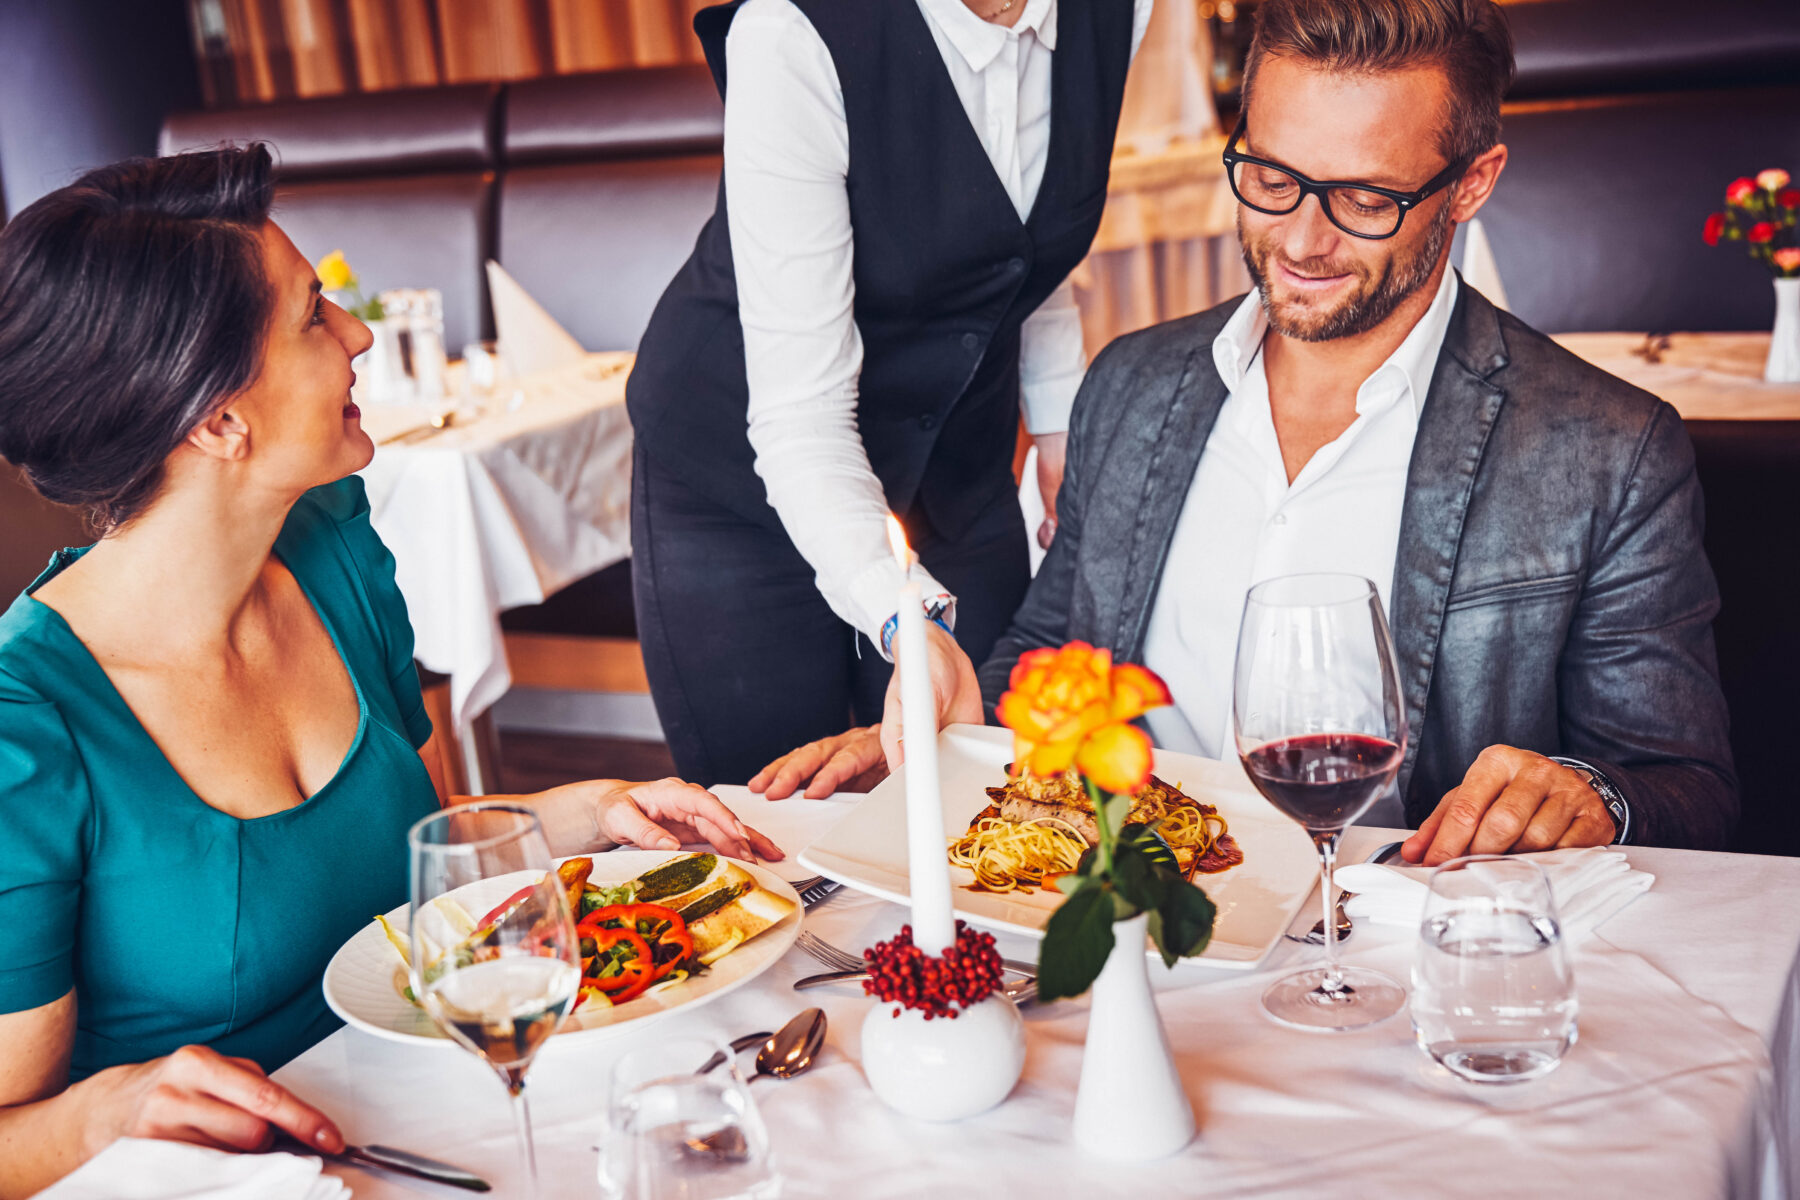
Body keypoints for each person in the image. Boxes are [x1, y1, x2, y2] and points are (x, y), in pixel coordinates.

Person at [754, 0, 1739, 860]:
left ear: (1472, 184)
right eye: (1271, 177)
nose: (1304, 240)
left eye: (1365, 198)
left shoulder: (1609, 451)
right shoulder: (1131, 388)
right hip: (1128, 924)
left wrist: (1592, 796)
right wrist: (942, 741)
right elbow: (1055, 652)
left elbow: (1688, 789)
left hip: (1393, 959)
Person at [0, 146, 780, 1197]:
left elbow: (413, 859)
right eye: (316, 315)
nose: (360, 333)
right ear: (218, 419)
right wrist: (107, 1110)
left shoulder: (330, 543)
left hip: (444, 1122)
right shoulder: (26, 727)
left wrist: (585, 809)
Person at [625, 0, 1154, 786]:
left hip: (956, 470)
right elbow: (802, 419)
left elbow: (1024, 239)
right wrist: (904, 611)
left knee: (984, 799)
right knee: (778, 826)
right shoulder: (792, 31)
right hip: (743, 486)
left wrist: (1057, 428)